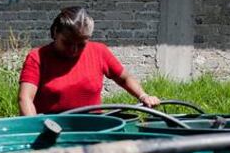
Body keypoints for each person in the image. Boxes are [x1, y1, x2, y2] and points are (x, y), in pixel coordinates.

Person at [18, 6, 160, 116]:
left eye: (81, 44)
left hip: (92, 128)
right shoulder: (38, 57)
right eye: (67, 43)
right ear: (55, 32)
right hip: (52, 129)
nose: (74, 49)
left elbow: (124, 78)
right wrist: (35, 129)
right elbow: (25, 98)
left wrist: (143, 95)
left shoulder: (99, 52)